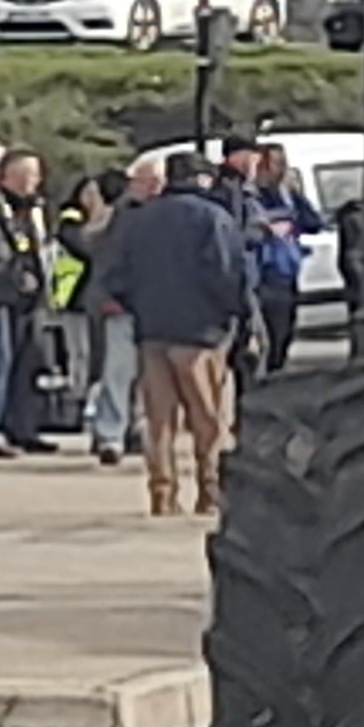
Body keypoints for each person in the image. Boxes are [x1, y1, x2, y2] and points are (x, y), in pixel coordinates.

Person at [113, 151, 250, 518]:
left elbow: (117, 272)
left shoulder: (138, 220)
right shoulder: (213, 218)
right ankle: (210, 491)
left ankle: (162, 493)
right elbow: (227, 273)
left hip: (152, 329)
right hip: (200, 332)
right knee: (207, 419)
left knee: (159, 421)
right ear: (202, 179)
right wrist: (236, 315)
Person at [65, 162, 149, 466]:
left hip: (143, 304)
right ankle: (110, 434)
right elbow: (93, 249)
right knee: (116, 370)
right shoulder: (118, 218)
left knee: (136, 373)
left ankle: (128, 429)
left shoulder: (150, 214)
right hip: (117, 305)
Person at [0, 146, 54, 457]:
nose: (32, 181)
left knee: (31, 364)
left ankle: (26, 426)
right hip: (6, 293)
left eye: (35, 175)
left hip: (35, 295)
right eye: (25, 175)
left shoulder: (35, 208)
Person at [222, 139, 323, 379]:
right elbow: (238, 234)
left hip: (286, 273)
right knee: (262, 339)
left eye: (281, 164)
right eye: (271, 164)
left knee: (284, 335)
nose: (277, 170)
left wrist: (296, 195)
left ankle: (276, 373)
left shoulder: (287, 197)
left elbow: (314, 223)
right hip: (261, 275)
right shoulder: (247, 197)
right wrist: (265, 230)